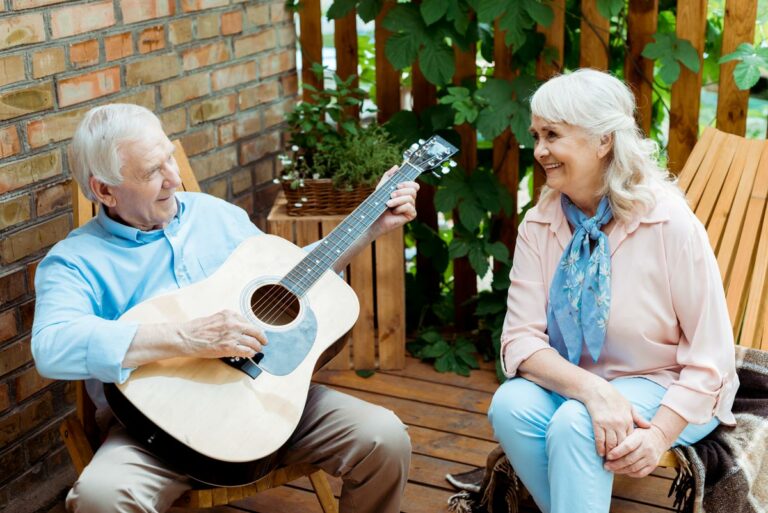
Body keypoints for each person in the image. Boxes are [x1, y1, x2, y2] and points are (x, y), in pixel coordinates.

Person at [31, 103, 417, 513]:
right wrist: (185, 337)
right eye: (152, 172)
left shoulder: (215, 216)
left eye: (170, 160)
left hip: (265, 403)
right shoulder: (74, 261)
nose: (174, 179)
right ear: (105, 190)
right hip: (152, 433)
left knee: (384, 436)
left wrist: (367, 228)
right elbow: (52, 347)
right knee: (100, 498)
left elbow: (286, 283)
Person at [487, 69, 738, 513]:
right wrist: (594, 391)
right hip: (579, 385)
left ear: (603, 140)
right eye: (536, 135)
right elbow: (521, 340)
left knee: (575, 426)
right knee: (510, 404)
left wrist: (660, 433)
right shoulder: (539, 223)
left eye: (553, 135)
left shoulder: (668, 222)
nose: (540, 150)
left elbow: (711, 358)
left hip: (663, 383)